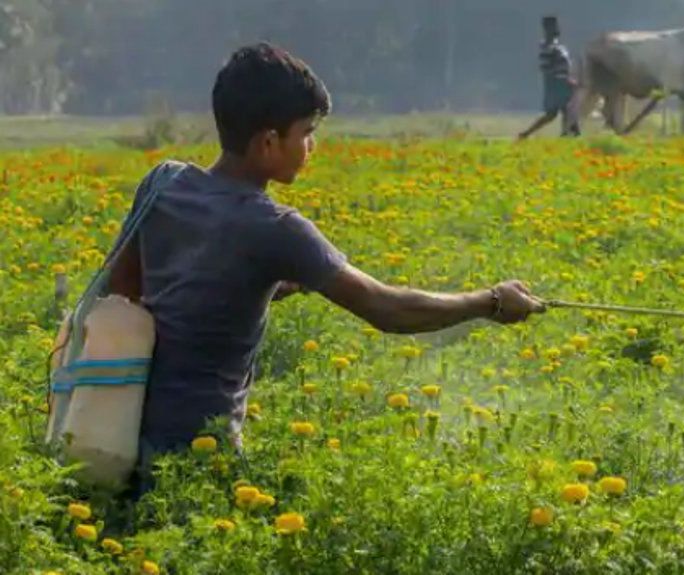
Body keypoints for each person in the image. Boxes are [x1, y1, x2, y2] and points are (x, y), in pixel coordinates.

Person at [103, 42, 546, 500]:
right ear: (269, 141)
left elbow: (124, 292)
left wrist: (253, 286)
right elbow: (386, 308)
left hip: (117, 431)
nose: (312, 145)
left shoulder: (163, 182)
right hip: (200, 455)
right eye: (307, 132)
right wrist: (490, 302)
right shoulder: (275, 227)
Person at [517, 15, 581, 141]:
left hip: (561, 82)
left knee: (560, 111)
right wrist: (563, 78)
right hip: (557, 84)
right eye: (554, 26)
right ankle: (568, 133)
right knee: (564, 110)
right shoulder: (548, 47)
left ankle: (571, 132)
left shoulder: (554, 45)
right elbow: (546, 68)